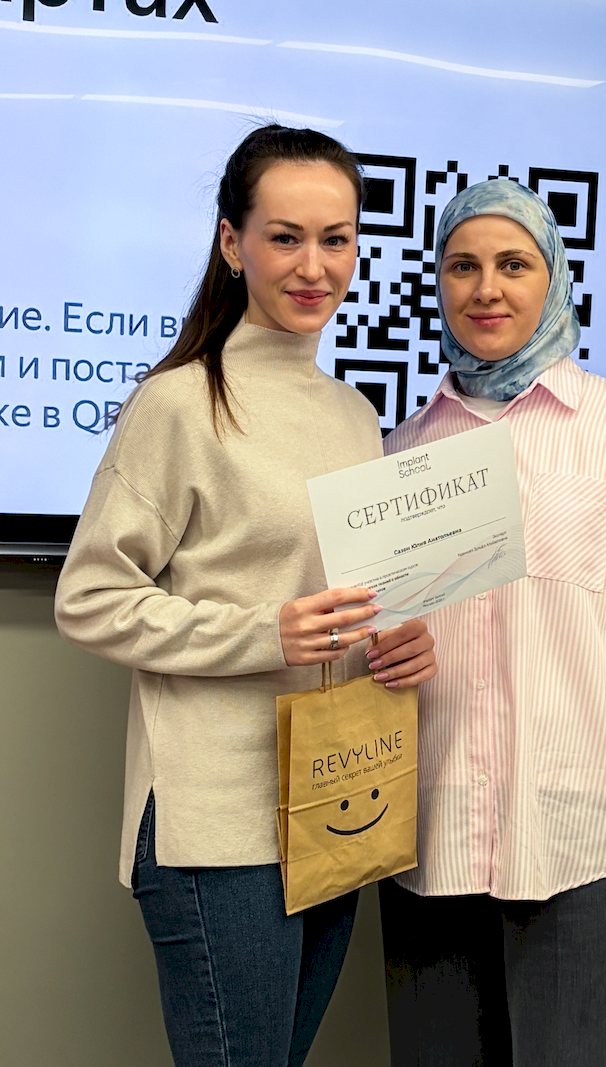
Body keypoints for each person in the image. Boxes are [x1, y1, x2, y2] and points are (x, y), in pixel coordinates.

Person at [54, 124, 436, 1067]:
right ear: (233, 242)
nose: (315, 266)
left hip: (331, 801)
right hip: (215, 817)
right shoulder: (180, 403)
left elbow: (336, 601)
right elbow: (89, 596)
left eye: (336, 239)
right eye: (285, 237)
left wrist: (392, 643)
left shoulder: (354, 415)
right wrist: (267, 633)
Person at [377, 178, 606, 1067]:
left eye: (512, 264)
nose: (485, 289)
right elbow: (375, 652)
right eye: (462, 266)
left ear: (554, 277)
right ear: (439, 282)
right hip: (430, 846)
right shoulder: (401, 453)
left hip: (590, 844)